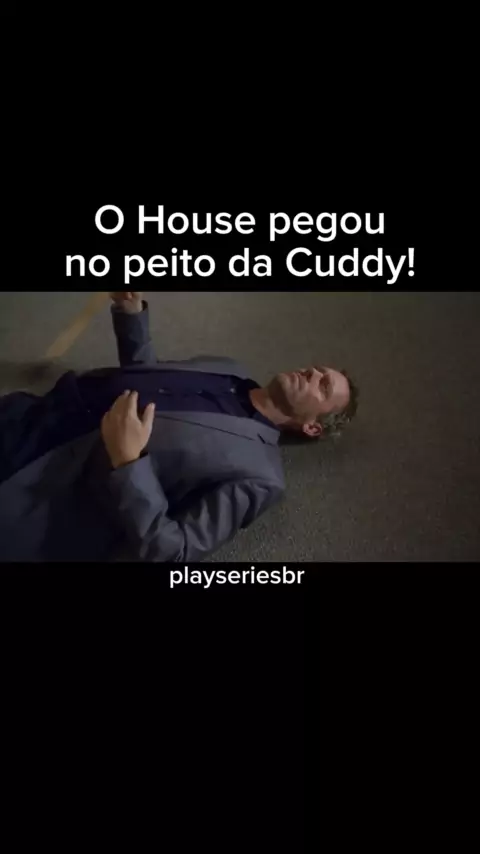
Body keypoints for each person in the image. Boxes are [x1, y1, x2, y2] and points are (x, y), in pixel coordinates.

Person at [0, 293, 358, 562]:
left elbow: (174, 550)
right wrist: (131, 314)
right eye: (317, 369)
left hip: (39, 478)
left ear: (313, 428)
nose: (312, 373)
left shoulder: (262, 478)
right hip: (33, 411)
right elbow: (149, 377)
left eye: (323, 385)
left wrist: (129, 462)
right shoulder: (229, 368)